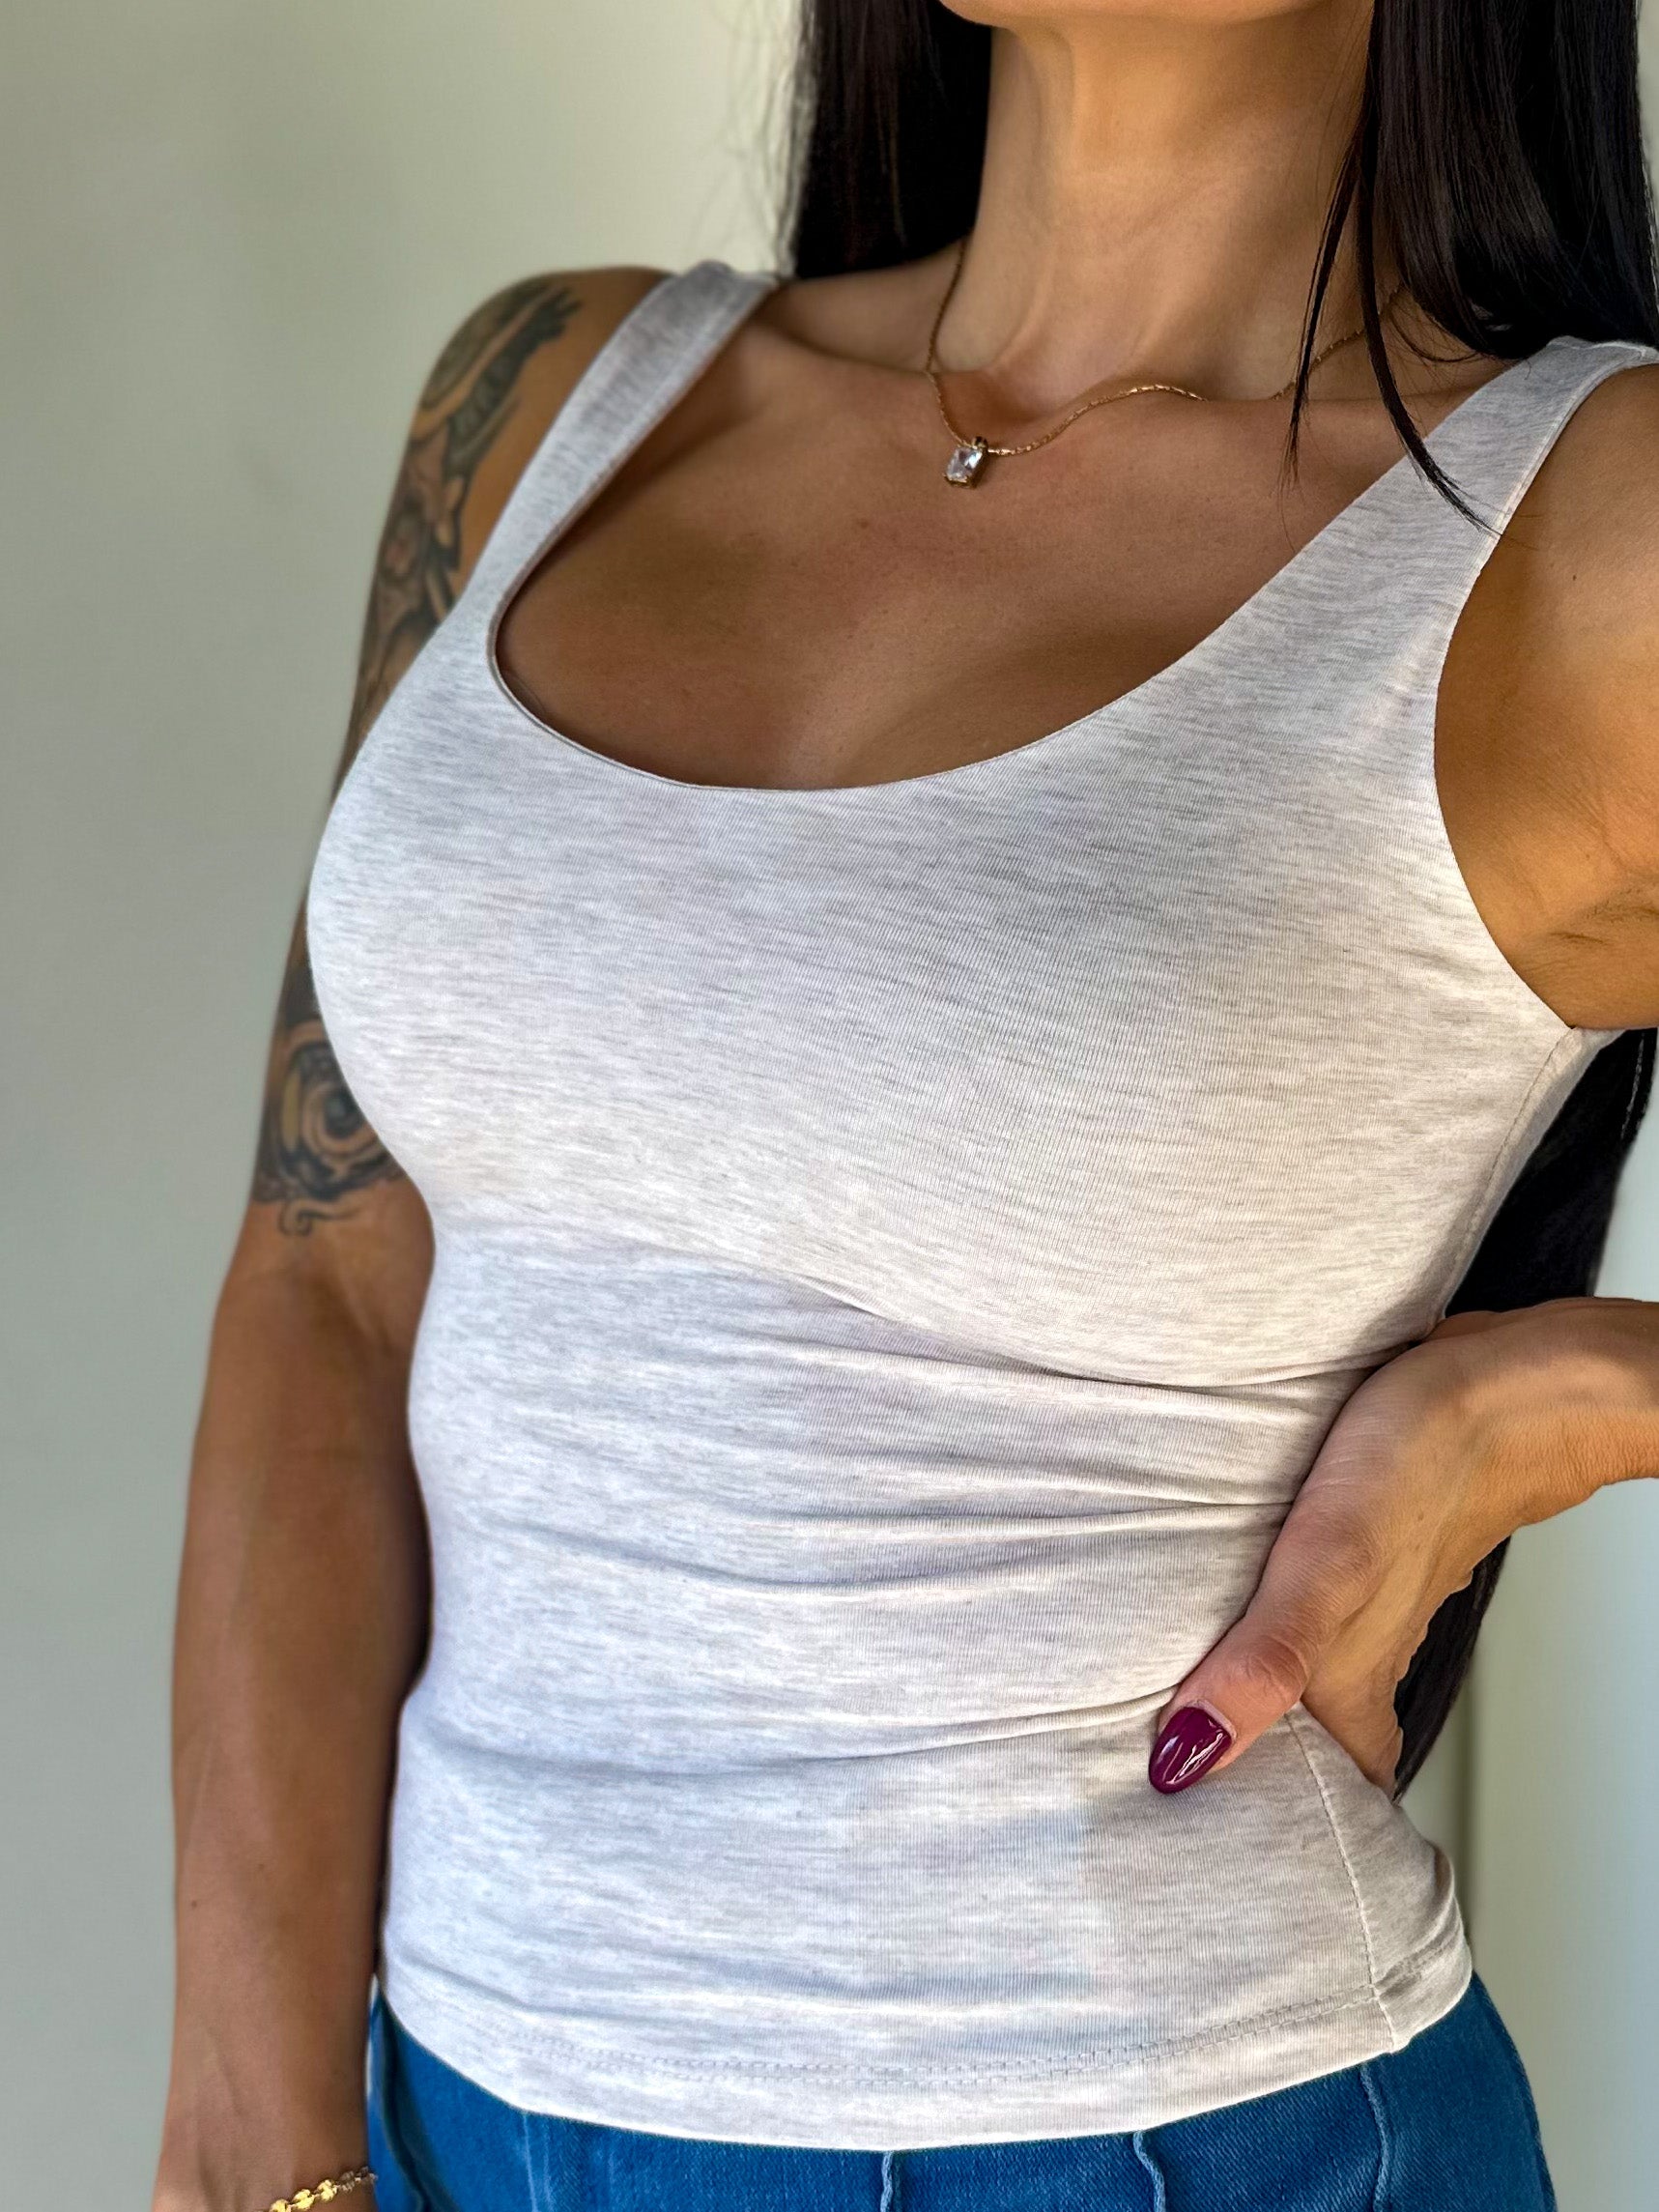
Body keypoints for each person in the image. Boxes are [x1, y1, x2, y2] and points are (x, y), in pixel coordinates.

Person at [154, 2, 1659, 2207]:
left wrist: (1552, 1399)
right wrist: (248, 2143)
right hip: (444, 2112)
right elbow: (328, 1273)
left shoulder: (1595, 536)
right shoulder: (548, 401)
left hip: (1144, 2140)